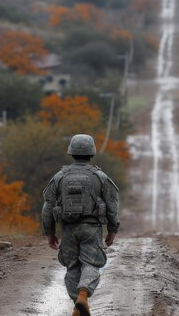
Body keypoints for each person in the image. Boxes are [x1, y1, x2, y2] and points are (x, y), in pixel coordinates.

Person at [42, 134, 120, 316]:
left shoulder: (59, 177)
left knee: (72, 267)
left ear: (71, 152)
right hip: (91, 228)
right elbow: (112, 204)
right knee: (91, 264)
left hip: (68, 229)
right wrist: (112, 229)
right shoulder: (100, 177)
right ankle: (83, 295)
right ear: (92, 152)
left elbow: (48, 206)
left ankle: (77, 306)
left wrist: (49, 232)